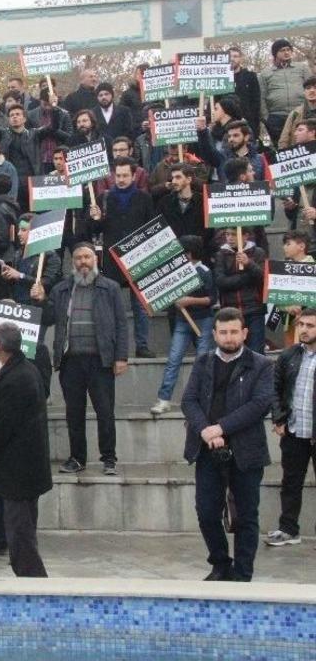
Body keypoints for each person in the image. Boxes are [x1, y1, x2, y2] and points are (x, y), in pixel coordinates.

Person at [181, 307, 274, 582]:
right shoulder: (203, 362)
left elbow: (260, 404)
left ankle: (243, 573)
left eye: (234, 331)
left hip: (246, 451)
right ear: (214, 334)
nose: (229, 337)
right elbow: (189, 401)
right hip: (208, 449)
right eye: (223, 332)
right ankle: (220, 563)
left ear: (244, 332)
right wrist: (206, 432)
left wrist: (221, 427)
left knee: (246, 515)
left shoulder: (262, 365)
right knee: (207, 511)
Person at [35, 242, 128, 475]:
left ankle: (109, 459)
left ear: (94, 259)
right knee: (73, 412)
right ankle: (77, 458)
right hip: (70, 361)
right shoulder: (62, 289)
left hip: (101, 360)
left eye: (87, 257)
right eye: (78, 258)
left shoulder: (110, 288)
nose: (83, 262)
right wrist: (41, 299)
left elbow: (121, 325)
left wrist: (121, 357)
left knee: (105, 411)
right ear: (73, 262)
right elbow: (48, 318)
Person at [0, 322, 51, 577]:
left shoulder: (14, 378)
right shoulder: (25, 370)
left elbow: (3, 424)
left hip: (19, 468)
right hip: (28, 465)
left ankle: (33, 580)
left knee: (20, 531)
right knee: (24, 527)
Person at [88, 157, 157, 358]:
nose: (121, 179)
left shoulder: (144, 198)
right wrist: (96, 218)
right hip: (112, 261)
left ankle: (142, 345)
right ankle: (115, 346)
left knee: (141, 308)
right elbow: (93, 230)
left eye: (125, 175)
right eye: (118, 175)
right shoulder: (103, 198)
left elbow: (152, 228)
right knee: (112, 308)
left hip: (139, 259)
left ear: (134, 175)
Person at [265, 308, 316, 547]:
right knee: (290, 483)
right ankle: (288, 530)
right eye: (301, 325)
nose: (304, 330)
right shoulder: (289, 355)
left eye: (310, 325)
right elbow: (274, 389)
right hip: (294, 431)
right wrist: (278, 419)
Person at [150, 236, 217, 416]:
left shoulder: (204, 271)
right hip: (182, 321)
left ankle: (204, 399)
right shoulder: (175, 273)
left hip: (203, 320)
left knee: (203, 360)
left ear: (189, 253)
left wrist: (189, 301)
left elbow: (212, 299)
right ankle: (164, 399)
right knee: (173, 359)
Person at [214, 227, 267, 354]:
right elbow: (220, 282)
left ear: (245, 236)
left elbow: (263, 278)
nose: (230, 238)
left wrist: (249, 263)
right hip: (230, 310)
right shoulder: (221, 254)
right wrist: (246, 278)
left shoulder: (258, 252)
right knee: (234, 351)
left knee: (256, 352)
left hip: (254, 309)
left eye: (233, 234)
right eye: (227, 234)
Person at [259, 39, 311, 145]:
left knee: (303, 145)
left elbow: (311, 87)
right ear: (275, 54)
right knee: (281, 146)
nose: (286, 52)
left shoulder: (302, 68)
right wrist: (266, 118)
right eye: (282, 50)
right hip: (276, 117)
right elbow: (261, 97)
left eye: (288, 50)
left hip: (300, 113)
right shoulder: (265, 73)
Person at [278, 75, 316, 150]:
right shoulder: (295, 113)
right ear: (304, 92)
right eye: (308, 88)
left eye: (315, 87)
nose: (312, 90)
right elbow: (284, 140)